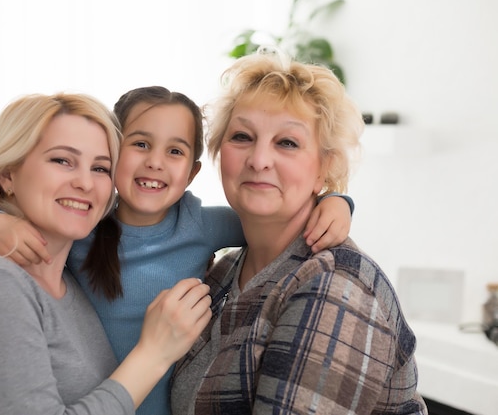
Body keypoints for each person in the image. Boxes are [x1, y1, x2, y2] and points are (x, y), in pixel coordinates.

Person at [0, 86, 355, 415]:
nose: (155, 163)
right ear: (112, 156)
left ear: (193, 172)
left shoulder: (199, 224)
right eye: (141, 144)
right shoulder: (80, 227)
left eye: (176, 151)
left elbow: (275, 216)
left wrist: (336, 200)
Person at [0, 93, 212, 415]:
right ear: (8, 174)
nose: (84, 183)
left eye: (100, 168)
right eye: (62, 160)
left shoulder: (70, 281)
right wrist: (154, 354)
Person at [170, 51, 428, 414]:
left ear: (326, 168)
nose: (259, 160)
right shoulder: (225, 271)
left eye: (287, 143)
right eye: (242, 136)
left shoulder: (333, 286)